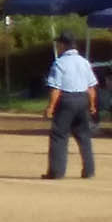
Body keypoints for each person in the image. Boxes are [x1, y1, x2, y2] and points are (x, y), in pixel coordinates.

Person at [41, 33, 98, 179]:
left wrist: (50, 107)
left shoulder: (59, 63)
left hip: (66, 99)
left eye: (58, 44)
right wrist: (92, 105)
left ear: (63, 45)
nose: (57, 47)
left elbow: (56, 88)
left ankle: (56, 171)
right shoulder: (84, 62)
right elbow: (91, 87)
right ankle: (89, 170)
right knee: (84, 135)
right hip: (82, 99)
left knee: (59, 135)